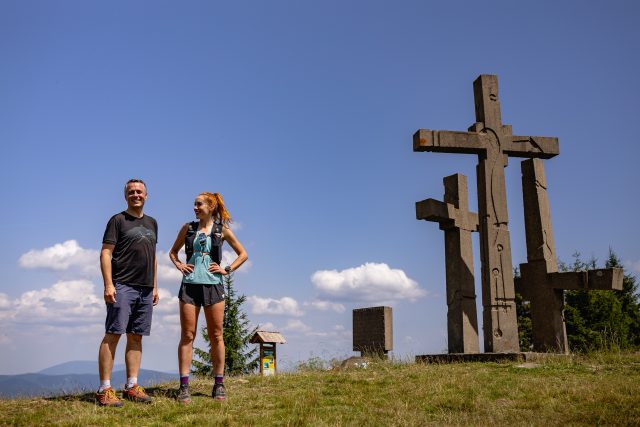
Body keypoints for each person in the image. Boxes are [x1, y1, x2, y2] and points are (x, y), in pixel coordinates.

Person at [169, 192, 248, 403]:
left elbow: (243, 253)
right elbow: (173, 252)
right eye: (194, 204)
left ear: (211, 206)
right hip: (189, 286)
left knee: (216, 335)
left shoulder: (222, 231)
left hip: (214, 286)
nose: (195, 207)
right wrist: (179, 265)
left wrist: (227, 269)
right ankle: (184, 386)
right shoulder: (188, 228)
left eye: (199, 204)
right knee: (187, 335)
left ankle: (219, 384)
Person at [95, 179, 159, 407]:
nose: (136, 195)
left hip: (145, 289)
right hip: (122, 285)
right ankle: (104, 389)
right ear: (126, 196)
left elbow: (153, 256)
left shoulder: (152, 223)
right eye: (131, 192)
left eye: (139, 191)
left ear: (147, 195)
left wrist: (155, 286)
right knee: (113, 334)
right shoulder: (117, 220)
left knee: (136, 336)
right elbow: (105, 253)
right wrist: (108, 284)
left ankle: (132, 386)